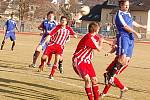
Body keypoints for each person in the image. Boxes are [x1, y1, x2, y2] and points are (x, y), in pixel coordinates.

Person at [101, 0, 147, 98]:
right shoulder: (118, 15)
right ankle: (111, 79)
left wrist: (142, 26)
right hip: (124, 36)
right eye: (125, 5)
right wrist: (136, 32)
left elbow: (132, 22)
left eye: (128, 5)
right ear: (121, 5)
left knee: (126, 60)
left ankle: (111, 79)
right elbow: (125, 26)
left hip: (130, 38)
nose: (127, 7)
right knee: (122, 58)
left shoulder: (128, 14)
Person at [72, 22, 112, 100]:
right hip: (79, 60)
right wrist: (101, 41)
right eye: (98, 28)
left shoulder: (92, 36)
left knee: (94, 80)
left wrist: (109, 42)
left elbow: (100, 39)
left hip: (87, 61)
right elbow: (99, 48)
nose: (99, 30)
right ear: (96, 29)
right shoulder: (89, 38)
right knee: (87, 79)